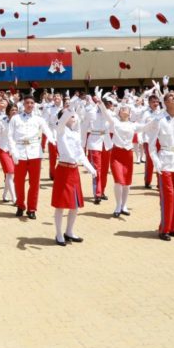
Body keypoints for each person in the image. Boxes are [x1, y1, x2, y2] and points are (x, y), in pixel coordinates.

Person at [143, 86, 174, 241]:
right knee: (168, 196)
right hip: (164, 160)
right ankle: (164, 228)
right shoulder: (158, 120)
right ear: (165, 102)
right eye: (171, 96)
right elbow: (151, 145)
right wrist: (156, 163)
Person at [95, 88, 147, 218]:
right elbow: (105, 113)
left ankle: (124, 205)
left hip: (128, 155)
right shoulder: (115, 122)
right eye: (122, 109)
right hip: (117, 154)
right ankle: (118, 205)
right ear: (119, 112)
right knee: (118, 181)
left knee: (127, 182)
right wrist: (100, 100)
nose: (125, 110)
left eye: (127, 109)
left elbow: (148, 125)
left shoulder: (133, 125)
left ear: (130, 113)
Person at [52, 102, 97, 246]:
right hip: (63, 170)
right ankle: (59, 234)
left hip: (74, 170)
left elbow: (80, 154)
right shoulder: (60, 130)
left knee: (75, 205)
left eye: (74, 116)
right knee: (60, 205)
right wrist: (69, 109)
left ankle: (69, 231)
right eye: (71, 116)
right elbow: (62, 121)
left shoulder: (75, 133)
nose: (74, 117)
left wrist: (90, 168)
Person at [7, 94, 54, 220]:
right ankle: (20, 205)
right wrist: (13, 151)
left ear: (34, 105)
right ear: (23, 104)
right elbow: (10, 136)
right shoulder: (15, 119)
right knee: (19, 182)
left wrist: (52, 139)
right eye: (27, 103)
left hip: (34, 153)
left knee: (34, 183)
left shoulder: (39, 119)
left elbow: (46, 130)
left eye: (32, 103)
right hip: (20, 152)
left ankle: (32, 208)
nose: (30, 105)